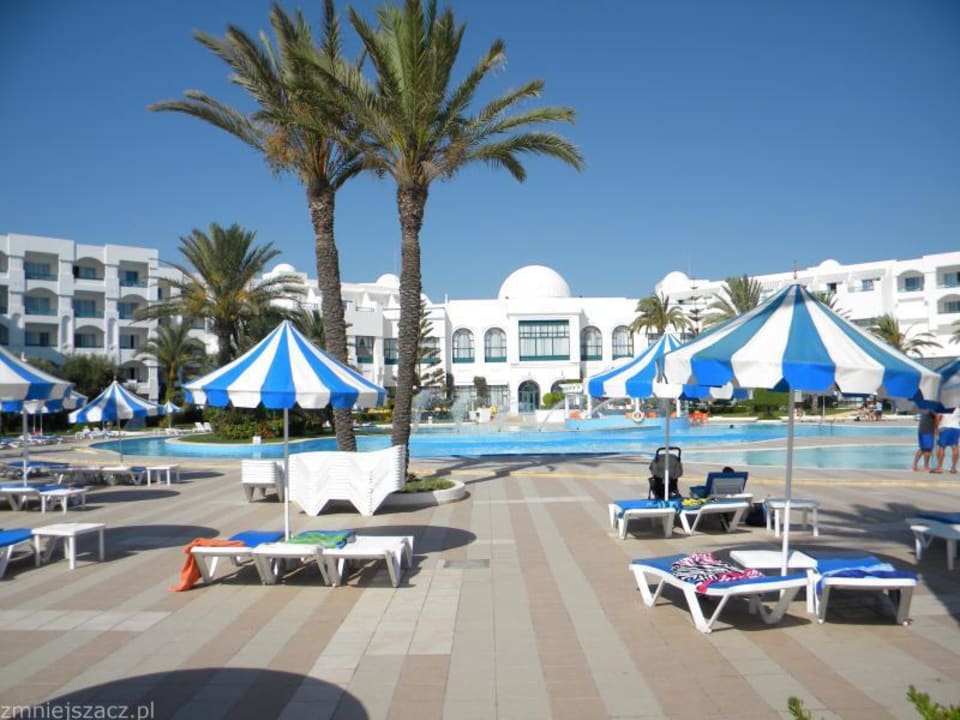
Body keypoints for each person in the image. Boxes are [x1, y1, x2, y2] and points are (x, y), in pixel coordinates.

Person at [931, 407, 960, 474]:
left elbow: (938, 417)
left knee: (942, 447)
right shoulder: (958, 408)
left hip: (945, 427)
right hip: (956, 428)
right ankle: (953, 468)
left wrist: (935, 428)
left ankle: (939, 468)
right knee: (955, 447)